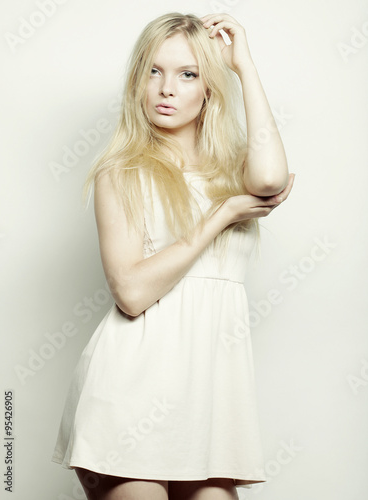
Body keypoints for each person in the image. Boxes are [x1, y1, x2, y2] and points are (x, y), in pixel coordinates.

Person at [51, 11, 294, 500]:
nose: (166, 88)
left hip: (208, 399)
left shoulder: (234, 173)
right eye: (154, 71)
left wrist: (243, 64)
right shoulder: (122, 173)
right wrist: (219, 216)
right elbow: (132, 293)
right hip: (129, 390)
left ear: (210, 90)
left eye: (188, 74)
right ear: (138, 81)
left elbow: (270, 180)